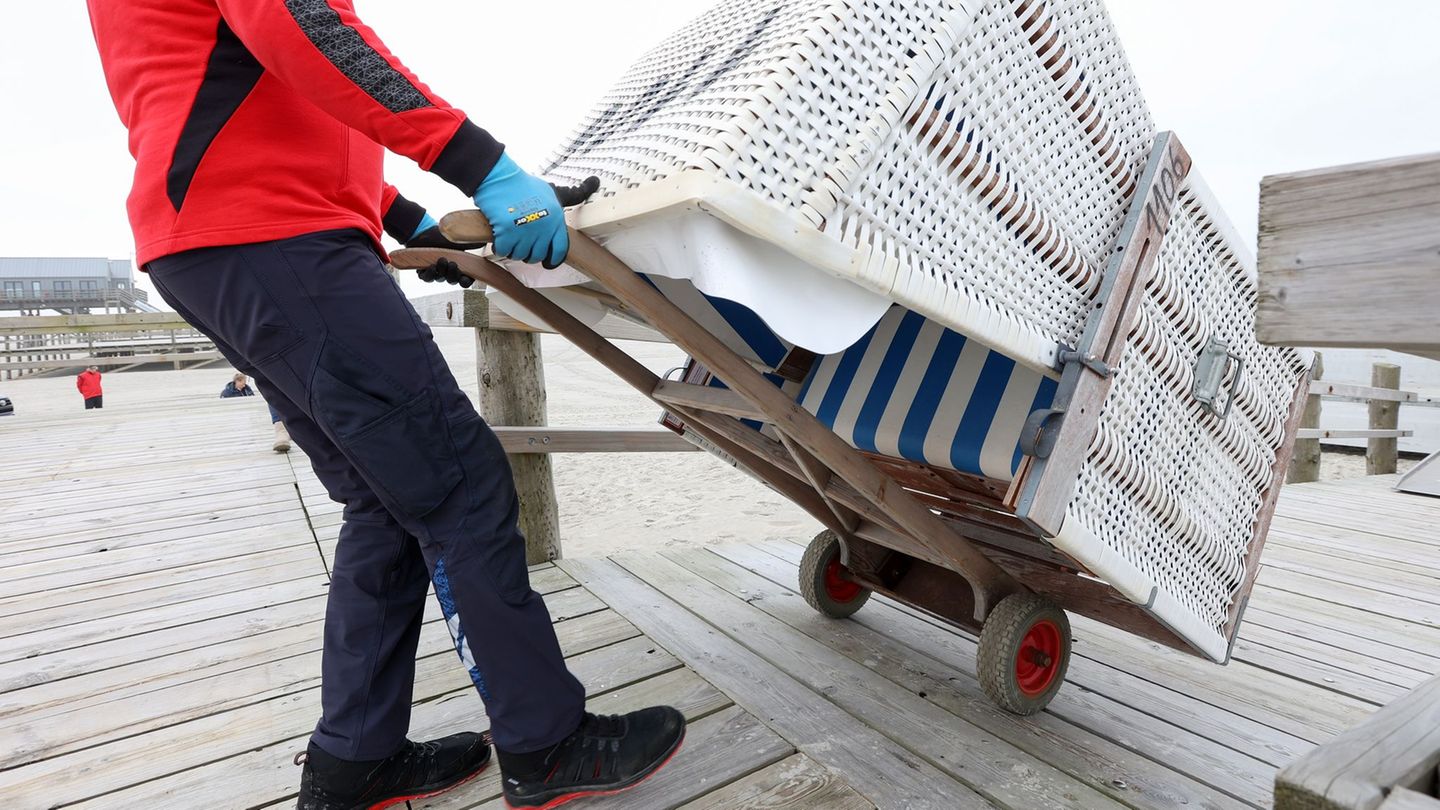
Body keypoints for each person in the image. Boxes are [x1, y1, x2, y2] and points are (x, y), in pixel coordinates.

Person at [86, 4, 684, 810]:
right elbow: (311, 37)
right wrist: (486, 167)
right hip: (274, 237)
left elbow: (275, 92)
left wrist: (411, 222)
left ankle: (353, 762)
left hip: (219, 242)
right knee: (459, 484)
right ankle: (546, 743)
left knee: (382, 501)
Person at [222, 372, 292, 453]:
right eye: (242, 383)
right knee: (271, 383)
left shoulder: (247, 389)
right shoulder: (227, 392)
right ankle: (281, 429)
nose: (244, 385)